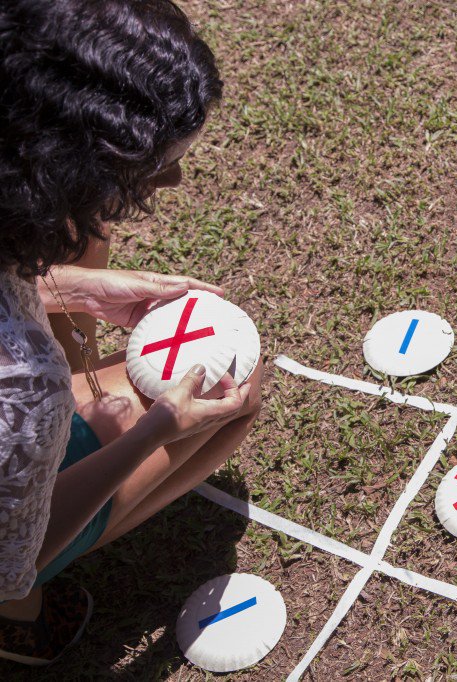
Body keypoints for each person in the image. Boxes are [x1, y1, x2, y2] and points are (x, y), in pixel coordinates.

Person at [0, 0, 263, 665]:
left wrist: (69, 286)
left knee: (82, 241)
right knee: (235, 404)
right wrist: (152, 432)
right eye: (151, 170)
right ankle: (21, 626)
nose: (172, 179)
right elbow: (8, 558)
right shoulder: (22, 381)